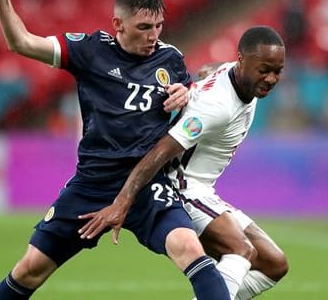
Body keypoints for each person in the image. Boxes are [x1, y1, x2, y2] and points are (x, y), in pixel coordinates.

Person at [0, 0, 231, 299]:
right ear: (118, 24)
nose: (153, 36)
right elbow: (21, 42)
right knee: (29, 270)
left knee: (189, 248)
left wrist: (185, 94)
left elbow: (191, 102)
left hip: (146, 184)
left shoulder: (170, 59)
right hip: (93, 184)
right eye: (144, 28)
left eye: (158, 26)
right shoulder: (89, 51)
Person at [79, 26, 289, 299]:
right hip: (181, 188)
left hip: (204, 191)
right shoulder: (217, 107)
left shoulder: (238, 77)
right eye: (264, 70)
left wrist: (198, 80)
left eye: (278, 71)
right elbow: (160, 152)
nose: (271, 78)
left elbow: (211, 71)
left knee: (274, 264)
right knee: (241, 250)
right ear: (241, 61)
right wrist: (122, 202)